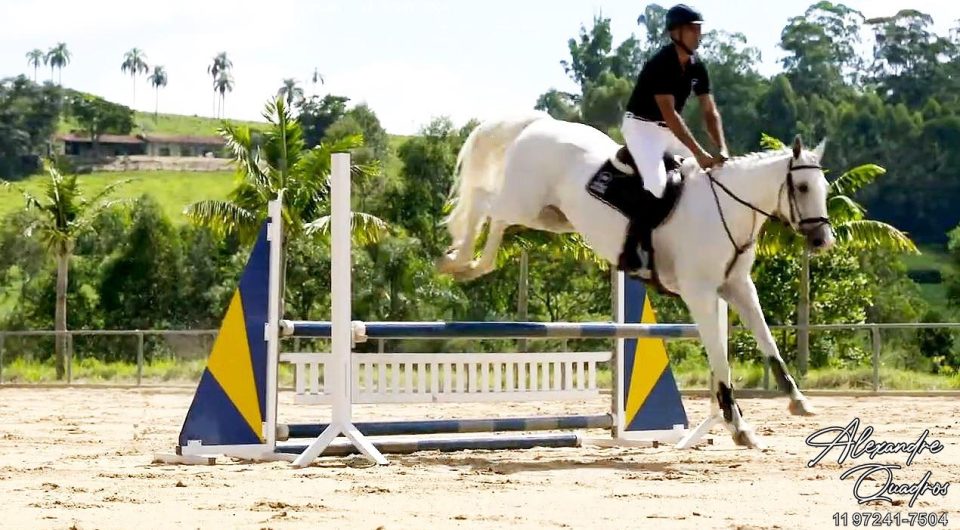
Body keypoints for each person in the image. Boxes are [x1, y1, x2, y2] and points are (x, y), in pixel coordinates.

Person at [622, 3, 729, 201]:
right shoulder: (661, 64)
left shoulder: (697, 67)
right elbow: (670, 114)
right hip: (642, 129)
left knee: (705, 180)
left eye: (699, 29)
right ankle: (639, 231)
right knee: (657, 186)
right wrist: (699, 153)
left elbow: (709, 111)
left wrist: (722, 147)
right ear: (676, 33)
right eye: (693, 29)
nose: (699, 34)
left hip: (669, 133)